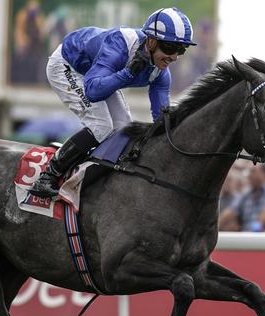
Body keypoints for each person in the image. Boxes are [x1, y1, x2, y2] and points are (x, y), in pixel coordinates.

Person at [29, 7, 197, 197]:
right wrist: (127, 74)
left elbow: (161, 120)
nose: (174, 57)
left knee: (124, 131)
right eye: (170, 48)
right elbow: (92, 91)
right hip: (68, 66)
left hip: (98, 74)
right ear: (151, 42)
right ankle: (47, 177)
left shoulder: (161, 73)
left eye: (181, 49)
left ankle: (96, 177)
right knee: (101, 126)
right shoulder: (120, 43)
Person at [219, 165, 265, 232]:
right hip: (246, 235)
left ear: (263, 173)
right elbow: (231, 211)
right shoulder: (246, 192)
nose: (249, 175)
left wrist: (254, 230)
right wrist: (216, 225)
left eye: (252, 171)